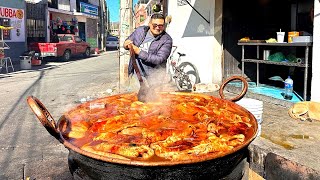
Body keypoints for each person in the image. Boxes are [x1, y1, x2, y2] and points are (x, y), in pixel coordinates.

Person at [123, 13, 173, 92]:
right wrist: (126, 44)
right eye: (155, 25)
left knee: (153, 102)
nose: (157, 28)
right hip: (136, 75)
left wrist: (138, 52)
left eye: (160, 25)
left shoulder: (167, 39)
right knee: (133, 99)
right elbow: (128, 41)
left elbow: (159, 59)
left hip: (154, 79)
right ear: (149, 24)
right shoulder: (140, 30)